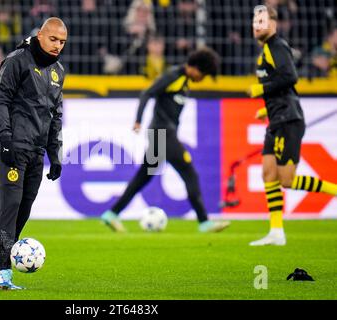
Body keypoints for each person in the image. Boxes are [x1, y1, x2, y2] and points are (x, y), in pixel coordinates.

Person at [100, 47, 230, 233]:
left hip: (161, 135)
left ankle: (111, 214)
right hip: (162, 134)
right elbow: (147, 93)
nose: (203, 78)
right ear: (196, 67)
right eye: (204, 74)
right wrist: (138, 119)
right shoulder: (174, 76)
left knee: (143, 177)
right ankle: (204, 222)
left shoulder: (184, 81)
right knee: (190, 173)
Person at [0, 17, 67, 290]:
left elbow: (56, 116)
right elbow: (0, 101)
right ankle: (4, 273)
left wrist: (55, 154)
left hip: (36, 152)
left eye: (62, 42)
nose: (57, 46)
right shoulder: (17, 60)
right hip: (13, 148)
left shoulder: (58, 71)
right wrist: (5, 138)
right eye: (53, 39)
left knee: (22, 212)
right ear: (40, 35)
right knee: (10, 209)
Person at [248, 5, 337, 246]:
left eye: (263, 21)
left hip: (288, 120)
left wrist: (261, 89)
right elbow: (283, 87)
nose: (257, 25)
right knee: (268, 174)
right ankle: (276, 231)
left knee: (286, 180)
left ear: (273, 24)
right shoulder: (266, 50)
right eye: (255, 21)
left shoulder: (276, 46)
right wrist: (265, 108)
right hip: (276, 119)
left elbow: (290, 77)